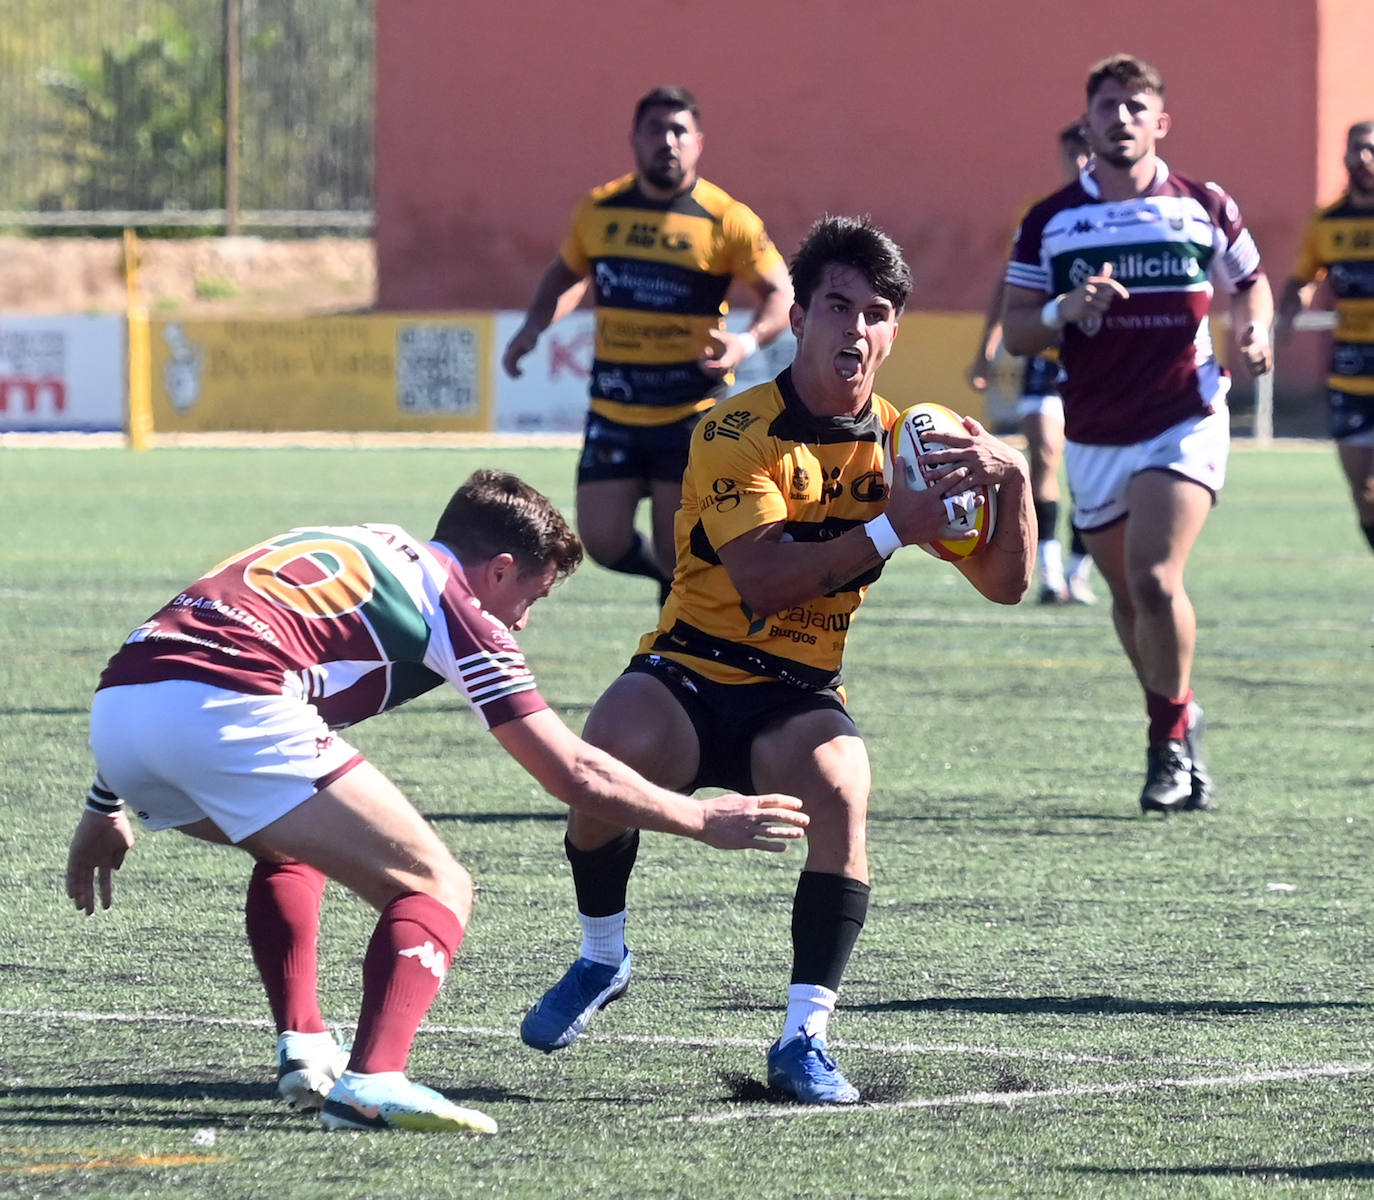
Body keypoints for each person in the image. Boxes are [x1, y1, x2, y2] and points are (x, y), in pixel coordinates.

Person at [64, 470, 809, 1134]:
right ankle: (373, 1081)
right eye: (531, 596)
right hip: (228, 708)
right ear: (501, 567)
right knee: (436, 884)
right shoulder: (458, 604)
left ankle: (303, 1046)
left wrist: (106, 800)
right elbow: (574, 772)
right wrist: (702, 819)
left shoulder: (357, 540)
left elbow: (188, 642)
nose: (521, 620)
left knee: (288, 841)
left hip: (121, 709)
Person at [518, 215, 1034, 1104]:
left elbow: (1004, 583)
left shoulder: (911, 442)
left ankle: (804, 1037)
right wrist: (893, 526)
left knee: (842, 785)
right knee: (601, 759)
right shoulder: (731, 430)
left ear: (895, 331)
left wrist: (1013, 480)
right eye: (838, 307)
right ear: (798, 319)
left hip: (795, 691)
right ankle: (603, 958)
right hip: (690, 668)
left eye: (877, 313)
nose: (856, 330)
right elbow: (761, 580)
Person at [1001, 54, 1275, 815]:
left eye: (1135, 106)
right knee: (1128, 598)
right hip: (1093, 429)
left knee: (1156, 579)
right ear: (1086, 123)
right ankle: (1178, 713)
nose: (1120, 119)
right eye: (1107, 107)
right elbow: (1019, 331)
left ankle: (1166, 745)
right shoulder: (1050, 219)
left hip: (1184, 416)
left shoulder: (1203, 204)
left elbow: (1250, 282)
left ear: (1161, 122)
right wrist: (1064, 308)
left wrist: (1254, 331)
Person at [501, 86, 794, 605]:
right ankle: (665, 582)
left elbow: (780, 290)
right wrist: (533, 326)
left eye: (678, 131)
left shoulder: (728, 219)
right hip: (614, 405)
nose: (667, 141)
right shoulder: (600, 209)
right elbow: (568, 273)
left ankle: (675, 655)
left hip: (688, 410)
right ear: (634, 139)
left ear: (699, 142)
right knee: (602, 541)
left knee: (674, 547)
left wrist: (746, 342)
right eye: (655, 130)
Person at [968, 121, 1097, 605]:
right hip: (1045, 357)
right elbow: (1009, 286)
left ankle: (1079, 570)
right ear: (1063, 157)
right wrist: (986, 348)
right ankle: (1048, 572)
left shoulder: (1120, 216)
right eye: (1074, 155)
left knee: (1090, 471)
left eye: (1089, 153)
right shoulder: (1042, 216)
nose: (1083, 163)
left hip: (1098, 364)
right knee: (1043, 453)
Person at [1276, 120, 1374, 555]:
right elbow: (1303, 277)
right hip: (1350, 375)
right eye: (1357, 150)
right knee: (1364, 495)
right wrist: (1285, 317)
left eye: (1371, 149)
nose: (1363, 159)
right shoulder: (1327, 222)